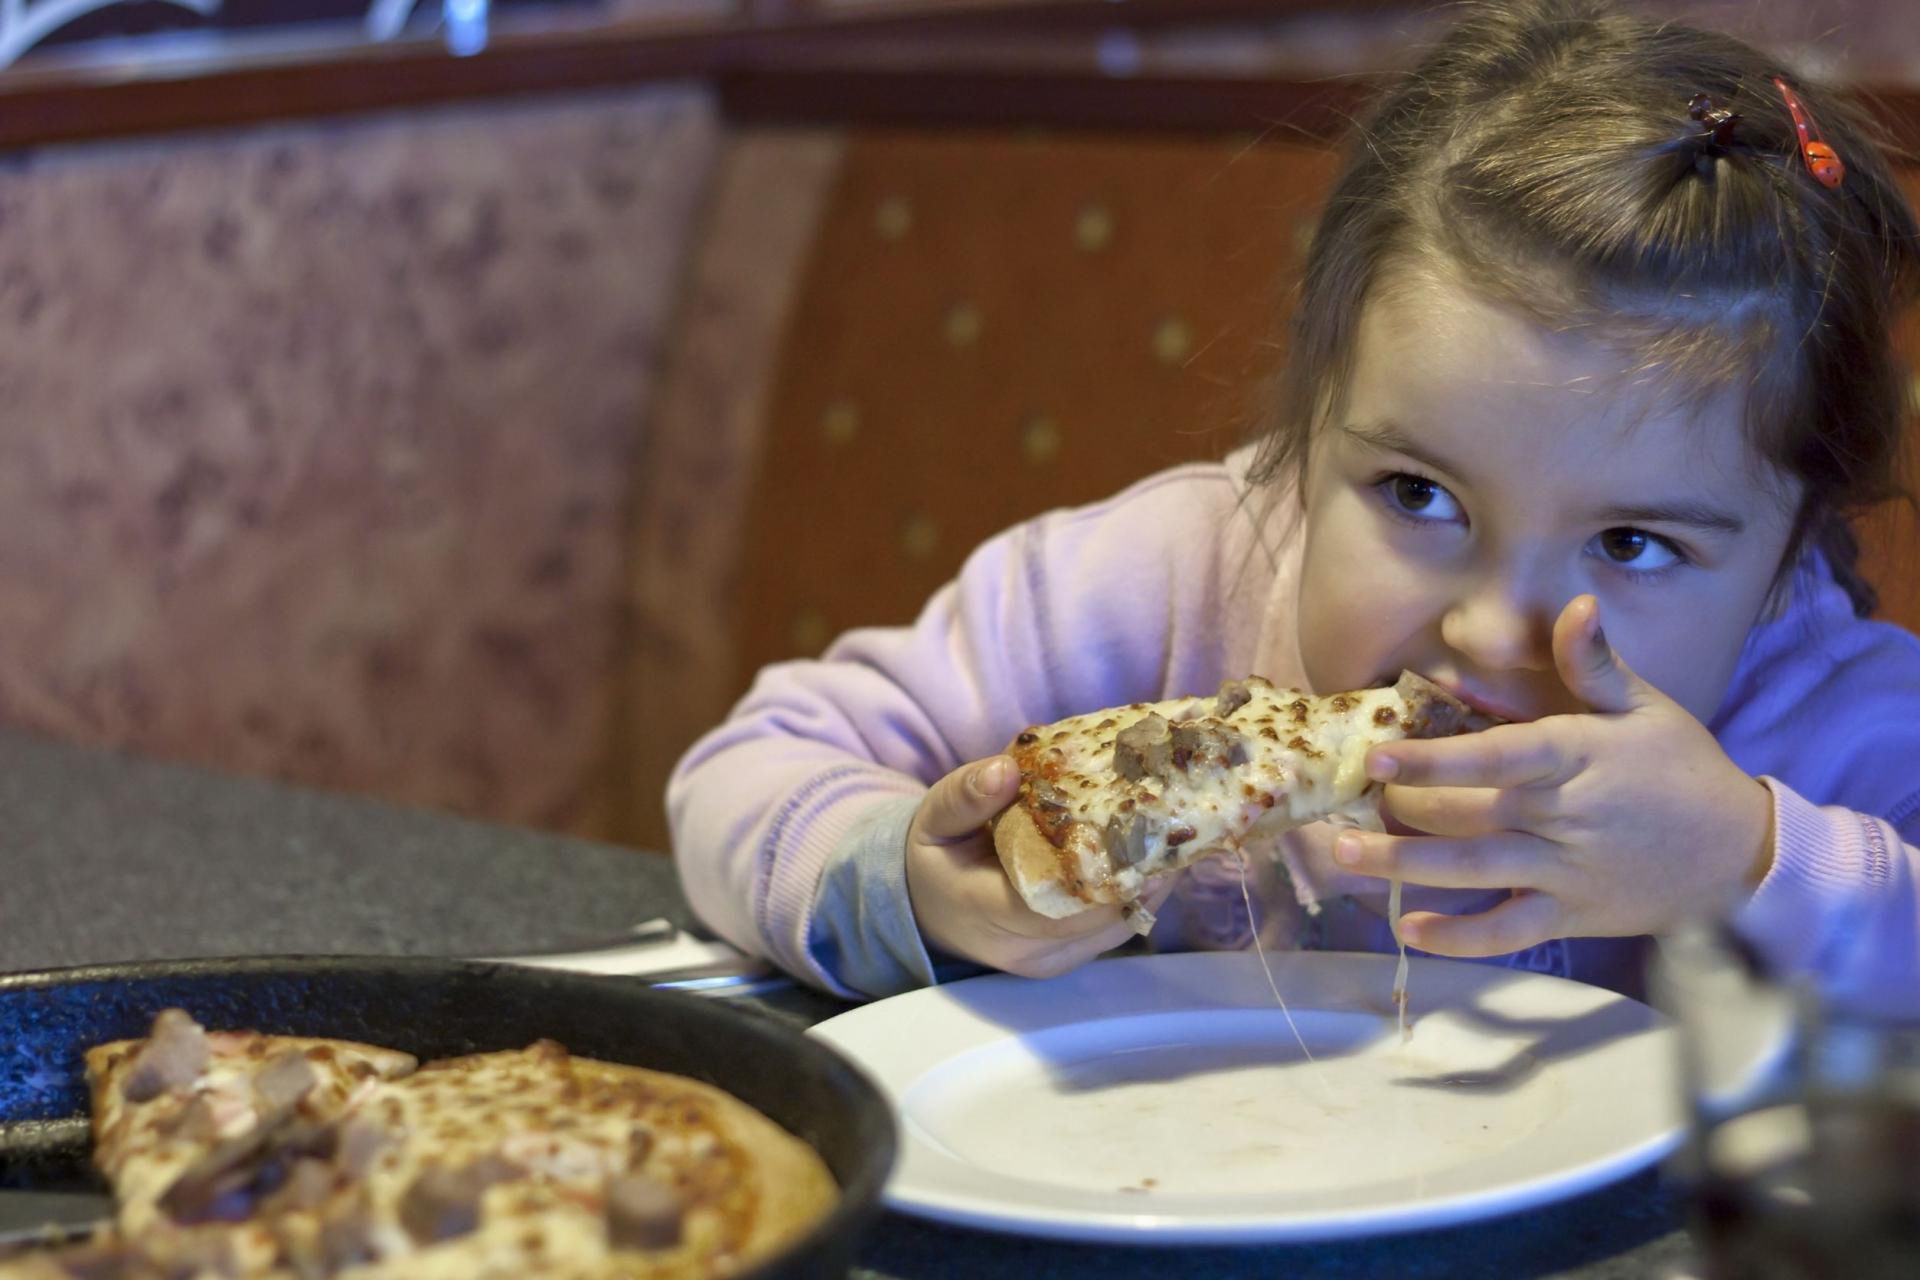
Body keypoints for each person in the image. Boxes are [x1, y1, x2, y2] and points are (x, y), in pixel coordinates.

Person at [668, 0, 1920, 1005]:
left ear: (1787, 547)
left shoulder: (1827, 712)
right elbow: (747, 770)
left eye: (1633, 541)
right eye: (1418, 492)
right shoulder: (1159, 584)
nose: (1494, 629)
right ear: (1310, 427)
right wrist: (910, 882)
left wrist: (1747, 863)